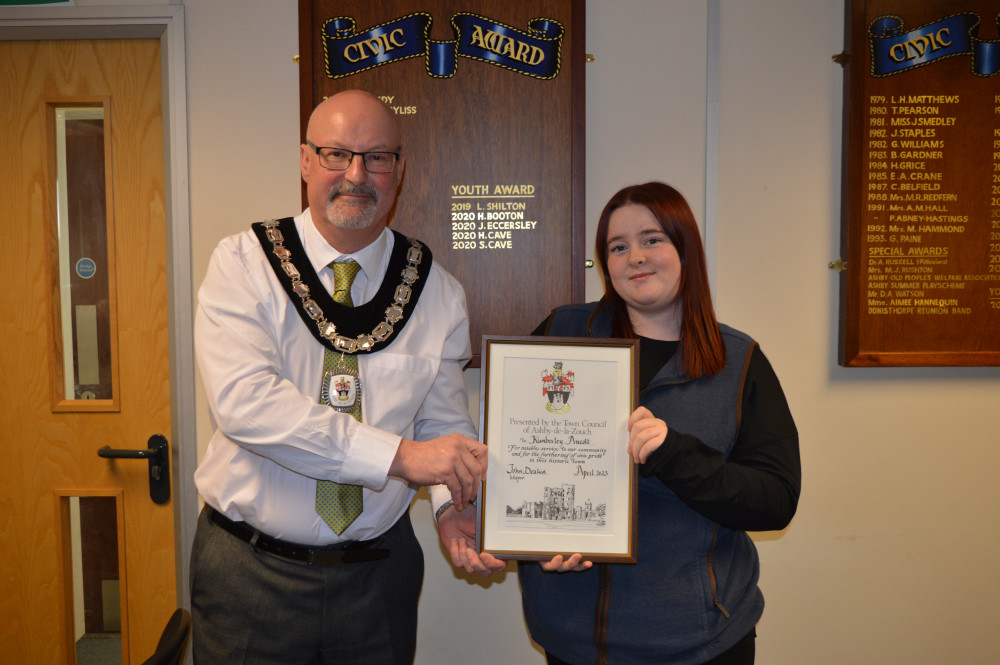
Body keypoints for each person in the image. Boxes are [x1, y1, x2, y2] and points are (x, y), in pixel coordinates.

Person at [190, 89, 492, 665]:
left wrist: (452, 507)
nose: (356, 174)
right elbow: (246, 405)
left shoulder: (436, 291)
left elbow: (442, 423)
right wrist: (400, 458)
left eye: (377, 157)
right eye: (336, 154)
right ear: (305, 161)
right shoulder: (243, 264)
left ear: (399, 171)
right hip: (249, 574)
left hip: (378, 577)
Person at [516, 182, 801, 665]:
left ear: (684, 248)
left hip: (700, 643)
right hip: (573, 641)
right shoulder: (562, 333)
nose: (636, 258)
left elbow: (773, 501)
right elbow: (519, 454)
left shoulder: (738, 360)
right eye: (618, 246)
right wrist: (533, 539)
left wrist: (675, 454)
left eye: (652, 240)